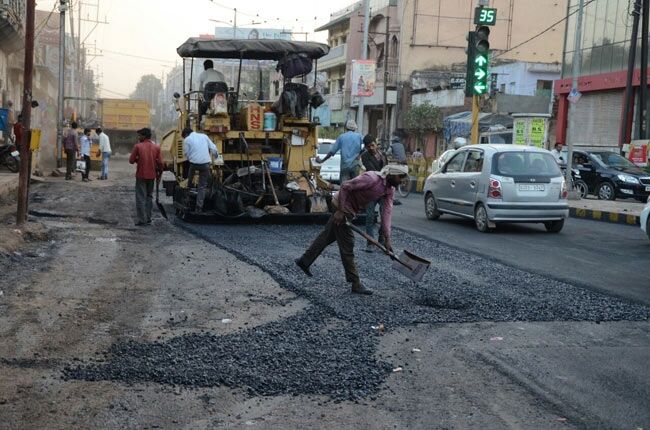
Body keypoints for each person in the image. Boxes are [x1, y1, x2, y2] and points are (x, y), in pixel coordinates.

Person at [295, 164, 409, 296]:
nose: (402, 181)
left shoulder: (389, 189)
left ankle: (304, 261)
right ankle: (355, 283)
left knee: (327, 236)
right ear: (392, 174)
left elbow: (387, 213)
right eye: (400, 177)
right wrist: (341, 211)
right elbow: (345, 186)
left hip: (349, 210)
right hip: (342, 206)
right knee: (348, 244)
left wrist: (387, 239)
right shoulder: (371, 178)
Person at [129, 128, 163, 226]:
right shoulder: (156, 147)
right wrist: (159, 172)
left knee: (140, 197)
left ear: (144, 136)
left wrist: (138, 160)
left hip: (141, 175)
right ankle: (148, 218)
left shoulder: (138, 146)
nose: (138, 137)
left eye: (139, 135)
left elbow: (131, 160)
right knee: (149, 197)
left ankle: (142, 220)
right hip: (152, 176)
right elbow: (160, 163)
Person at [360, 134, 387, 253]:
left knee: (384, 216)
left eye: (372, 145)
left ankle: (382, 240)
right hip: (371, 189)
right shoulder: (365, 156)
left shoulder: (383, 155)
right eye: (368, 147)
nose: (371, 148)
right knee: (370, 217)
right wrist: (383, 173)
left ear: (376, 144)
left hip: (383, 190)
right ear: (365, 147)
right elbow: (372, 171)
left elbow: (387, 169)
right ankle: (370, 242)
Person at [182, 127, 218, 212]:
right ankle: (199, 207)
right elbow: (213, 148)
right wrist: (216, 157)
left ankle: (187, 200)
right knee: (202, 187)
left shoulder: (187, 139)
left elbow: (186, 153)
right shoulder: (204, 136)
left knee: (189, 183)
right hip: (205, 164)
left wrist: (191, 159)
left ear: (186, 134)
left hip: (194, 164)